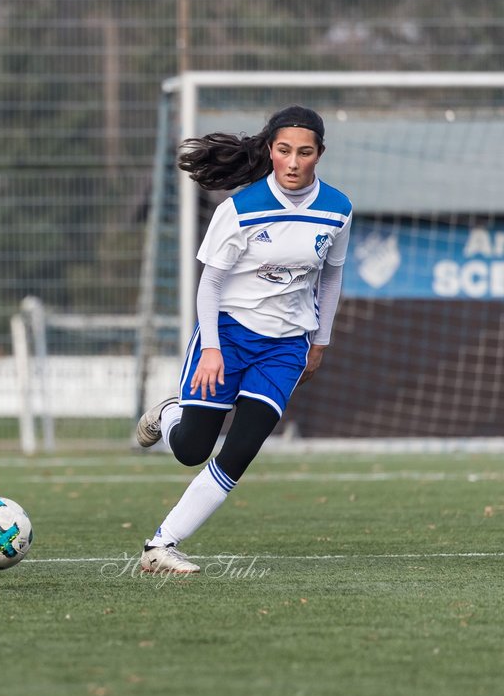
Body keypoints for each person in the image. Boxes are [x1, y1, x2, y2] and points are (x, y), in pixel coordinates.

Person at [133, 105, 352, 574]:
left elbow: (331, 279)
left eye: (305, 153)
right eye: (285, 151)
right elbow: (209, 284)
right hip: (228, 336)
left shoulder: (338, 209)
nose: (293, 163)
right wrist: (210, 348)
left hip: (286, 346)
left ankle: (161, 544)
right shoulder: (240, 208)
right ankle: (170, 412)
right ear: (271, 150)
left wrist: (321, 342)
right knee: (192, 449)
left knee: (242, 449)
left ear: (320, 154)